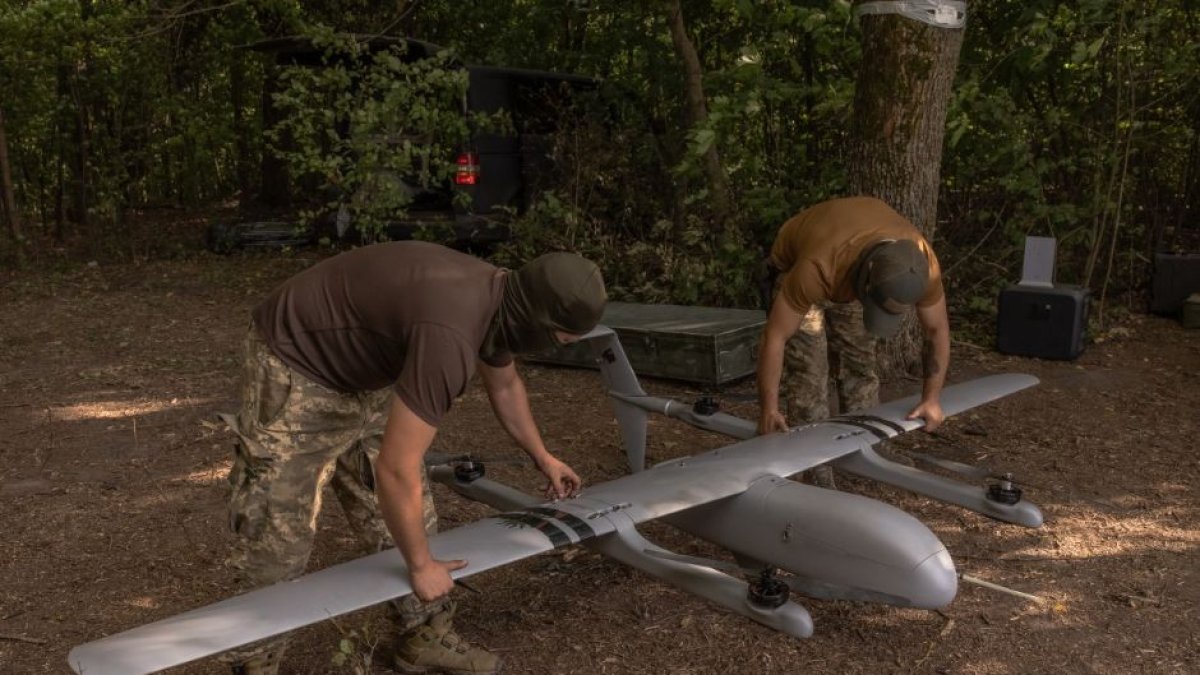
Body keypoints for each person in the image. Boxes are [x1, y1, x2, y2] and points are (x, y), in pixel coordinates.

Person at [223, 241, 607, 675]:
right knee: (279, 531)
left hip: (362, 369)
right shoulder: (452, 335)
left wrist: (543, 456)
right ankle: (255, 664)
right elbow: (396, 467)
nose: (562, 347)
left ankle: (422, 637)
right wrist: (420, 566)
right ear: (539, 321)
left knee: (409, 516)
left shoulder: (502, 304)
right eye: (563, 338)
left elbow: (505, 385)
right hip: (296, 360)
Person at [756, 197, 950, 486]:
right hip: (803, 261)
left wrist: (932, 398)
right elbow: (776, 335)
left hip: (855, 264)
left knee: (859, 363)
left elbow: (937, 331)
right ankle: (815, 464)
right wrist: (768, 410)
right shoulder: (816, 268)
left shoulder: (920, 264)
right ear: (866, 281)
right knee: (809, 373)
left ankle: (868, 444)